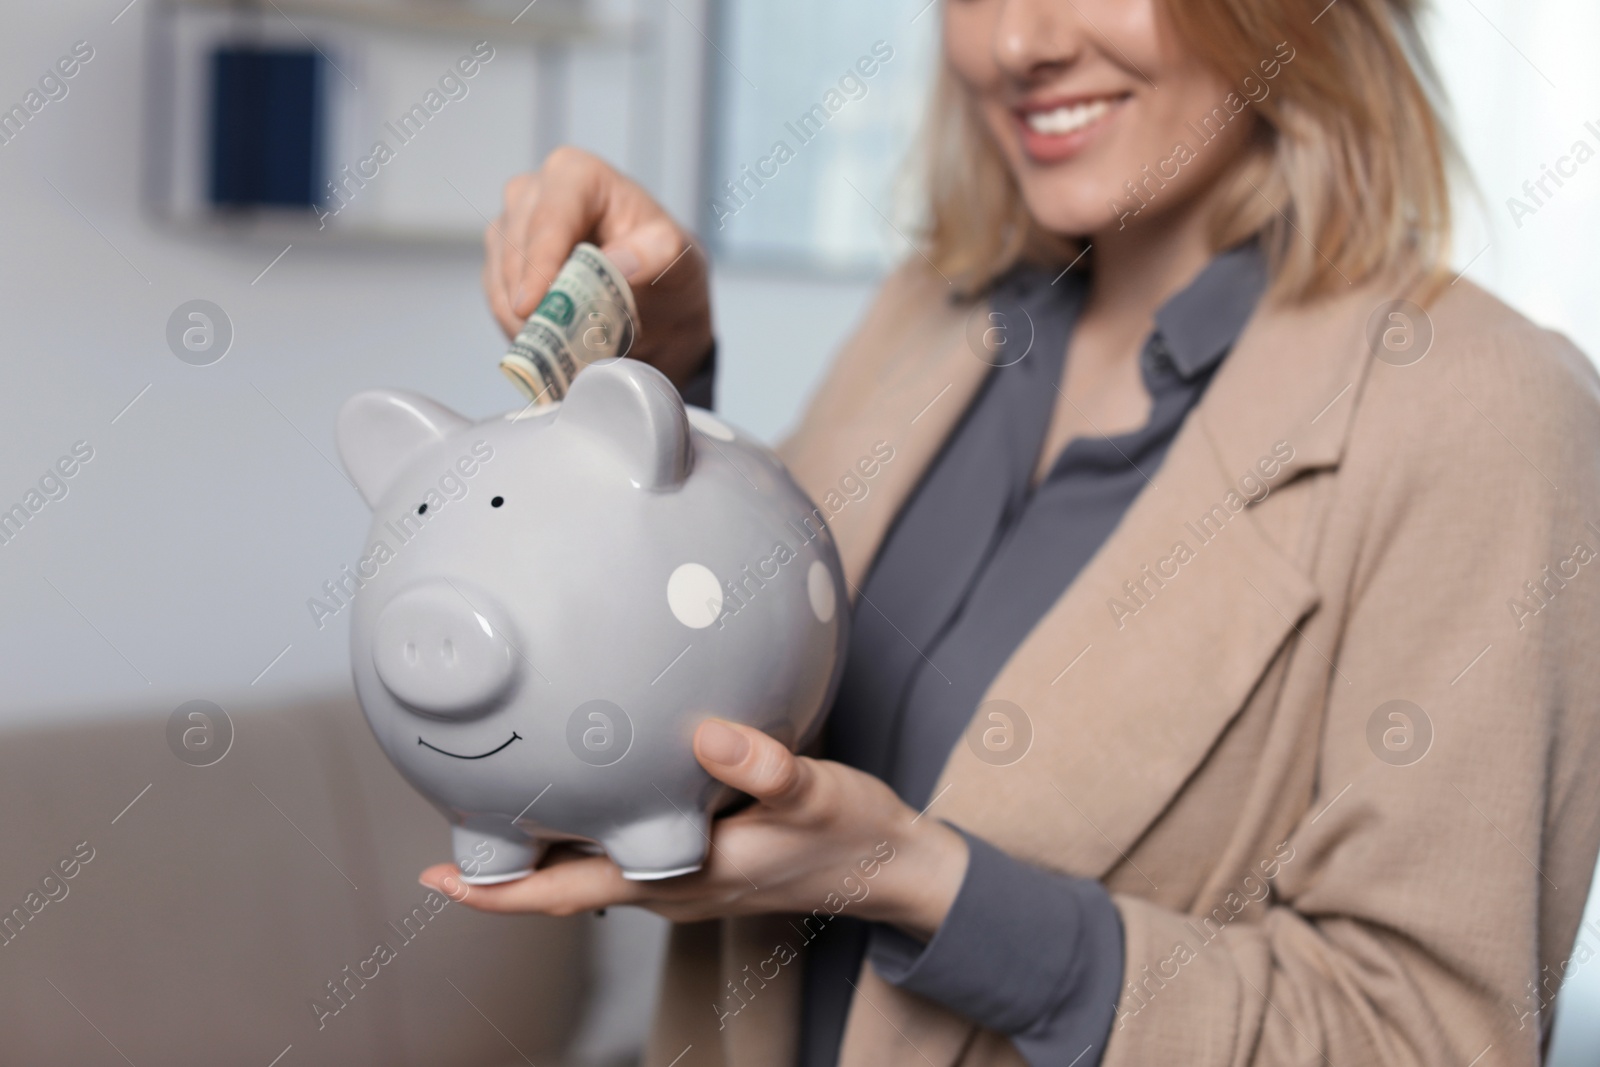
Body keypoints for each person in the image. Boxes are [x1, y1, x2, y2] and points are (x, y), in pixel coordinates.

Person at [421, 0, 1600, 1063]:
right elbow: (735, 684)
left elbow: (1424, 1036)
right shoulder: (929, 318)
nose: (1017, 43)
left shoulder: (1488, 411)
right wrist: (668, 365)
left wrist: (931, 889)